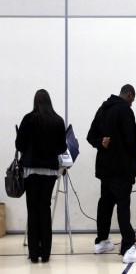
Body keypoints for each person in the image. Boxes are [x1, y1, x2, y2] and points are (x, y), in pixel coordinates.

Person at [87, 84, 136, 264]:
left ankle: (102, 241)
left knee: (105, 203)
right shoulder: (125, 111)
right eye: (133, 99)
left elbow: (91, 136)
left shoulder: (103, 109)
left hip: (105, 168)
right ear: (129, 95)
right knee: (123, 206)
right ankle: (128, 248)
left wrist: (101, 142)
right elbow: (131, 141)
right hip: (121, 169)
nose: (132, 103)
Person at [16, 89, 68, 263]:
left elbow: (19, 144)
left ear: (35, 101)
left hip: (31, 170)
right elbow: (62, 148)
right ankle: (45, 254)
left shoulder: (28, 119)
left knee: (32, 210)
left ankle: (34, 254)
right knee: (45, 209)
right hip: (50, 171)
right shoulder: (58, 120)